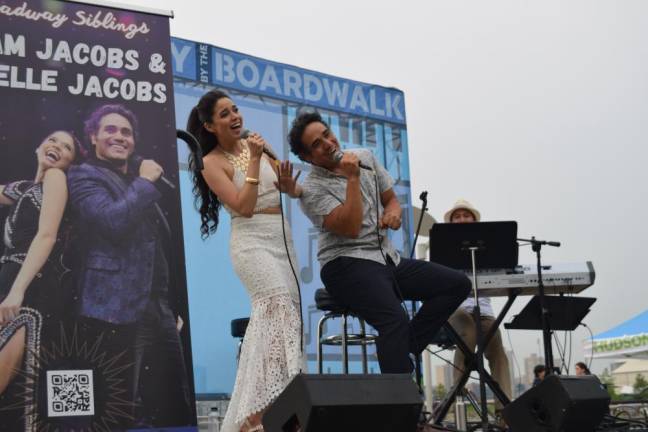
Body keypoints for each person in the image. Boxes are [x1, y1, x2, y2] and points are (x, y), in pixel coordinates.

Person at [288, 111, 471, 375]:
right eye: (316, 144)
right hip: (345, 264)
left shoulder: (365, 157)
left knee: (457, 284)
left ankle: (406, 346)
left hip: (385, 257)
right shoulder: (311, 189)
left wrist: (393, 213)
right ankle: (402, 409)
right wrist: (352, 179)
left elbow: (391, 200)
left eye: (326, 134)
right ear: (307, 157)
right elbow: (350, 228)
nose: (328, 143)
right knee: (393, 319)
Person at [66, 104, 192, 428]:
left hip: (157, 311)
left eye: (126, 131)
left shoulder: (138, 181)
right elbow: (112, 221)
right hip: (112, 309)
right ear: (93, 137)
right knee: (117, 409)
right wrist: (145, 181)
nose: (119, 136)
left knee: (173, 407)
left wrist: (169, 306)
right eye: (110, 129)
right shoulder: (82, 176)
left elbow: (160, 250)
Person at [186, 90, 303, 432]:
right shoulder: (211, 162)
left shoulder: (259, 146)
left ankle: (281, 407)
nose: (235, 116)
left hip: (281, 239)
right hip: (251, 244)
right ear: (209, 125)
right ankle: (256, 414)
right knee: (275, 307)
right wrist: (252, 160)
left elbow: (287, 190)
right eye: (224, 114)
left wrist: (288, 184)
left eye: (235, 109)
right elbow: (244, 206)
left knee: (286, 323)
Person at [0, 130, 83, 429]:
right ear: (38, 146)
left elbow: (46, 235)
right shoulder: (24, 188)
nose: (57, 147)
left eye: (67, 147)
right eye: (52, 140)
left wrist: (17, 291)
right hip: (8, 283)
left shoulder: (56, 179)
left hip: (30, 289)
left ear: (70, 161)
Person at [445, 199, 512, 410]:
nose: (462, 219)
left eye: (466, 216)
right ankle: (457, 396)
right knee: (468, 330)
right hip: (457, 309)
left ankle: (506, 408)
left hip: (484, 311)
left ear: (474, 220)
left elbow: (501, 275)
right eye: (457, 216)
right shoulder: (444, 248)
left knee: (497, 349)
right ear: (452, 222)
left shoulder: (489, 247)